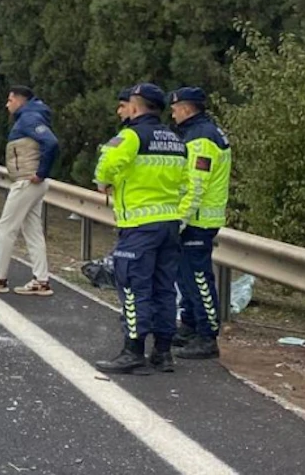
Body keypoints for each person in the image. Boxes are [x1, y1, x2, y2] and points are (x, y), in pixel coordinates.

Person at [93, 83, 187, 375]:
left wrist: (103, 181)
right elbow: (186, 182)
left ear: (135, 106)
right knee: (164, 289)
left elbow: (106, 164)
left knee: (134, 286)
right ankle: (163, 352)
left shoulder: (131, 135)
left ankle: (133, 351)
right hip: (169, 224)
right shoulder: (174, 139)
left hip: (138, 226)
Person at [0, 85, 59, 296]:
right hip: (31, 182)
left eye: (10, 100)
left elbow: (51, 142)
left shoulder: (29, 118)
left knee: (6, 227)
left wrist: (41, 172)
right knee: (32, 230)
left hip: (26, 181)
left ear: (20, 100)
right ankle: (41, 280)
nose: (7, 104)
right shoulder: (32, 116)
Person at [170, 86, 231, 361]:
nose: (172, 114)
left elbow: (195, 185)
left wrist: (179, 221)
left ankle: (207, 336)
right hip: (195, 217)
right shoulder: (200, 132)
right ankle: (191, 326)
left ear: (186, 108)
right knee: (186, 277)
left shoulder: (201, 137)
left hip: (199, 219)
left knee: (198, 278)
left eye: (174, 108)